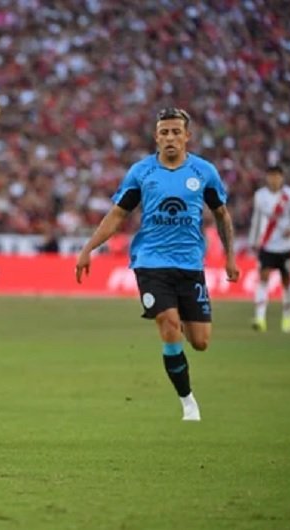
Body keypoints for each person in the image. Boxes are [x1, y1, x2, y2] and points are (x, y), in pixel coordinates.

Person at [75, 107, 240, 422]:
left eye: (176, 132)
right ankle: (188, 402)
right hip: (150, 262)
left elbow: (222, 215)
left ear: (187, 136)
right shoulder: (141, 172)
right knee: (167, 322)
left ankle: (180, 338)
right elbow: (118, 215)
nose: (170, 138)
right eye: (164, 132)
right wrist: (89, 248)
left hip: (191, 264)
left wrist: (230, 256)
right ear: (156, 136)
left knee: (201, 342)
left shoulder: (204, 173)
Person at [248, 165, 290, 332]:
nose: (273, 179)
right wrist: (253, 240)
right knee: (263, 278)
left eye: (277, 176)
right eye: (270, 176)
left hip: (286, 246)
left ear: (282, 177)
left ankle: (287, 318)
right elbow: (256, 219)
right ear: (267, 177)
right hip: (267, 245)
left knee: (286, 282)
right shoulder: (260, 195)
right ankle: (260, 318)